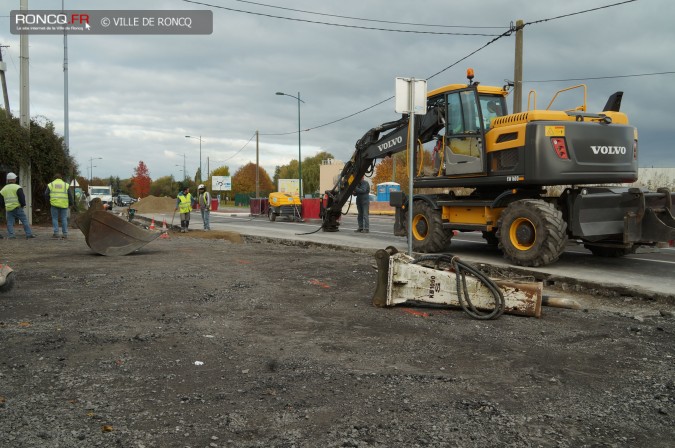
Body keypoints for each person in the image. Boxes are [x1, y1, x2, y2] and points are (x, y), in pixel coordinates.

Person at [0, 172, 36, 239]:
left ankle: (11, 235)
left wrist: (3, 207)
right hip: (17, 208)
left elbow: (1, 200)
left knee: (10, 223)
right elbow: (22, 197)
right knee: (24, 221)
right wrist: (23, 205)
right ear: (14, 179)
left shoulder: (3, 189)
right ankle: (29, 234)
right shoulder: (17, 187)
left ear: (8, 180)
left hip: (9, 209)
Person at [45, 173, 73, 239]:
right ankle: (65, 234)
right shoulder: (66, 185)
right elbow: (70, 195)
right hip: (64, 204)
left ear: (54, 178)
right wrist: (71, 203)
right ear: (61, 178)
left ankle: (56, 233)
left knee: (55, 218)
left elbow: (46, 194)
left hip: (54, 204)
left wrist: (48, 202)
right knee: (64, 218)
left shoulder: (51, 184)